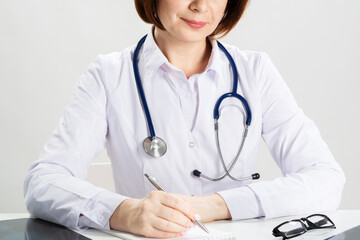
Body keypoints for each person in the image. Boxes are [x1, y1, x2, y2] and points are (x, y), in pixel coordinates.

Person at [24, 0, 345, 238]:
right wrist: (125, 212)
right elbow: (43, 182)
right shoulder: (109, 75)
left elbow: (325, 178)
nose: (200, 6)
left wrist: (215, 205)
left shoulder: (255, 72)